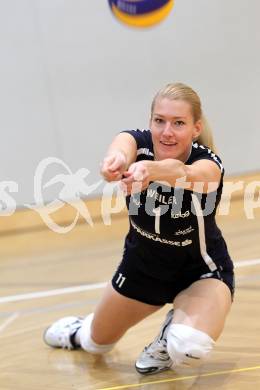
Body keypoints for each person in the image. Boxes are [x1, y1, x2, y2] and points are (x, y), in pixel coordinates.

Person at [43, 82, 234, 375]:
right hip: (141, 268)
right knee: (96, 344)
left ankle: (169, 336)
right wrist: (116, 161)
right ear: (151, 122)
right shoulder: (137, 143)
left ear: (195, 129)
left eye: (178, 123)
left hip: (201, 272)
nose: (166, 131)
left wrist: (151, 171)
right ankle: (78, 330)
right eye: (160, 120)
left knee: (189, 346)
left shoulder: (207, 163)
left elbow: (187, 174)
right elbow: (121, 146)